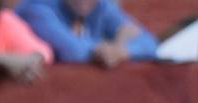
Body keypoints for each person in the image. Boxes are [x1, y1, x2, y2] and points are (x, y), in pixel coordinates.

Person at [14, 0, 157, 66]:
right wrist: (115, 45)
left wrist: (124, 51)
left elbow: (149, 43)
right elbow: (72, 52)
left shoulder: (101, 6)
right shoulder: (36, 8)